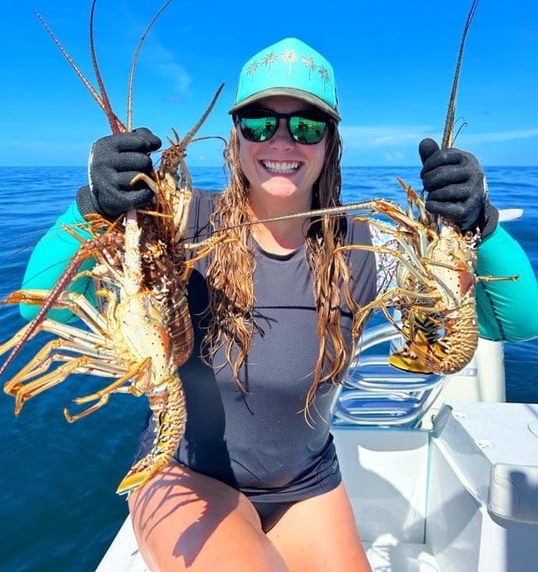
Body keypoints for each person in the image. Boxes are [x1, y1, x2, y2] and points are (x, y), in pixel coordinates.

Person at [20, 37, 538, 572]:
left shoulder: (361, 246)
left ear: (330, 142)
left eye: (307, 126)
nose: (283, 140)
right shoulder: (177, 224)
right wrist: (92, 210)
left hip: (307, 481)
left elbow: (518, 321)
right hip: (183, 475)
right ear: (236, 137)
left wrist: (481, 226)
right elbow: (45, 307)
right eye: (261, 123)